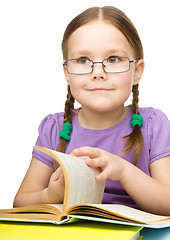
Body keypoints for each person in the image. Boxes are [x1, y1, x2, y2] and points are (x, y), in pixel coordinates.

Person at [13, 6, 170, 216]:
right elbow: (20, 202)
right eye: (83, 60)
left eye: (113, 59)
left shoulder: (152, 124)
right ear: (67, 73)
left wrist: (123, 171)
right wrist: (51, 193)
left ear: (137, 71)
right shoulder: (54, 127)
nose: (98, 73)